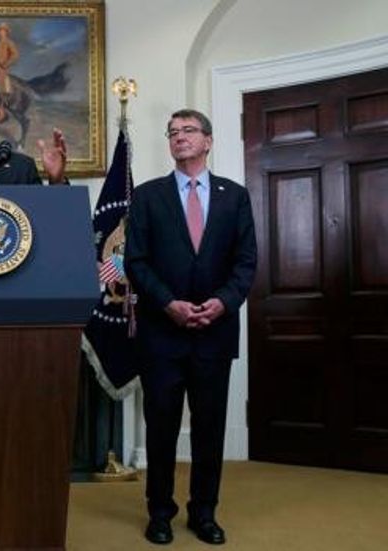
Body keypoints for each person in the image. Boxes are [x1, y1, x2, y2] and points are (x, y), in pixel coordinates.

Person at [124, 109, 257, 546]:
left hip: (214, 336)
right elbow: (136, 262)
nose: (179, 137)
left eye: (188, 131)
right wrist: (168, 304)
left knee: (209, 430)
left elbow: (245, 263)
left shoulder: (234, 196)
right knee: (161, 430)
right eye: (173, 132)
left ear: (208, 140)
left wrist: (222, 303)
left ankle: (204, 513)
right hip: (163, 335)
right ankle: (160, 513)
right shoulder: (146, 196)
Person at [0, 22, 19, 96]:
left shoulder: (9, 42)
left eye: (1, 31)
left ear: (6, 32)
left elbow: (15, 55)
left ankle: (4, 99)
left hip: (1, 67)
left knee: (0, 84)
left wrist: (6, 64)